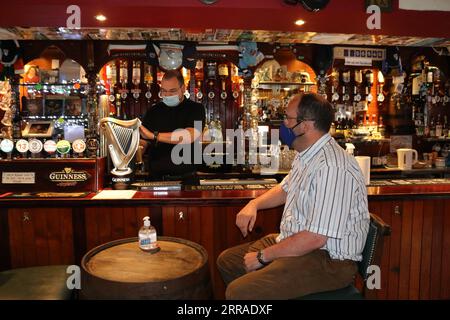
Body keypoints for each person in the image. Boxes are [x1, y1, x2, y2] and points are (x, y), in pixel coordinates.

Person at [217, 93, 370, 300]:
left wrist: (263, 257)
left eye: (288, 118)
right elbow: (285, 188)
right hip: (300, 243)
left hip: (328, 261)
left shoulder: (333, 167)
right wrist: (254, 204)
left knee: (239, 292)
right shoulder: (307, 154)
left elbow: (316, 237)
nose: (283, 124)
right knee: (228, 261)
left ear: (305, 125)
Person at [140, 70, 205, 180]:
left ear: (183, 88)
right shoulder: (153, 111)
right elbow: (143, 141)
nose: (168, 95)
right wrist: (134, 152)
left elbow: (189, 135)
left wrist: (155, 136)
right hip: (156, 179)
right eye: (164, 91)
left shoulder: (196, 109)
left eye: (172, 91)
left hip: (186, 179)